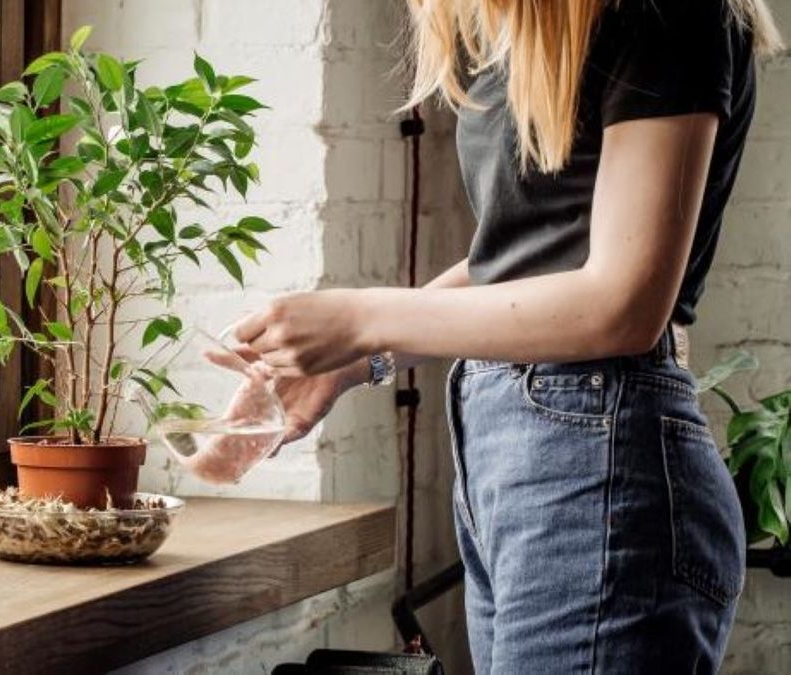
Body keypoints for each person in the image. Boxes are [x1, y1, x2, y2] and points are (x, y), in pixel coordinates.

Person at [233, 0, 784, 672]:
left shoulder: (661, 12)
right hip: (522, 464)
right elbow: (522, 262)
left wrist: (361, 316)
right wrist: (354, 361)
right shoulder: (532, 38)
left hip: (599, 465)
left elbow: (624, 303)